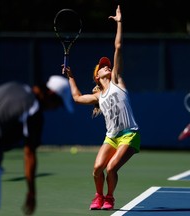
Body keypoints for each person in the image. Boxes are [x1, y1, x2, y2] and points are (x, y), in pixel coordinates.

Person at [63, 5, 140, 211]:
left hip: (130, 135)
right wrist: (71, 78)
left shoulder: (117, 80)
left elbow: (118, 47)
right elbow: (77, 98)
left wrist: (119, 23)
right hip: (112, 136)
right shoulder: (98, 96)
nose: (107, 66)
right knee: (97, 169)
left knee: (111, 167)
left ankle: (110, 197)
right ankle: (98, 197)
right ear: (97, 76)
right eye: (103, 66)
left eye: (108, 65)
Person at [0, 75, 73, 215]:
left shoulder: (15, 86)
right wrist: (32, 192)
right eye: (58, 103)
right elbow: (29, 153)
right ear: (51, 94)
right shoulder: (34, 111)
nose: (56, 108)